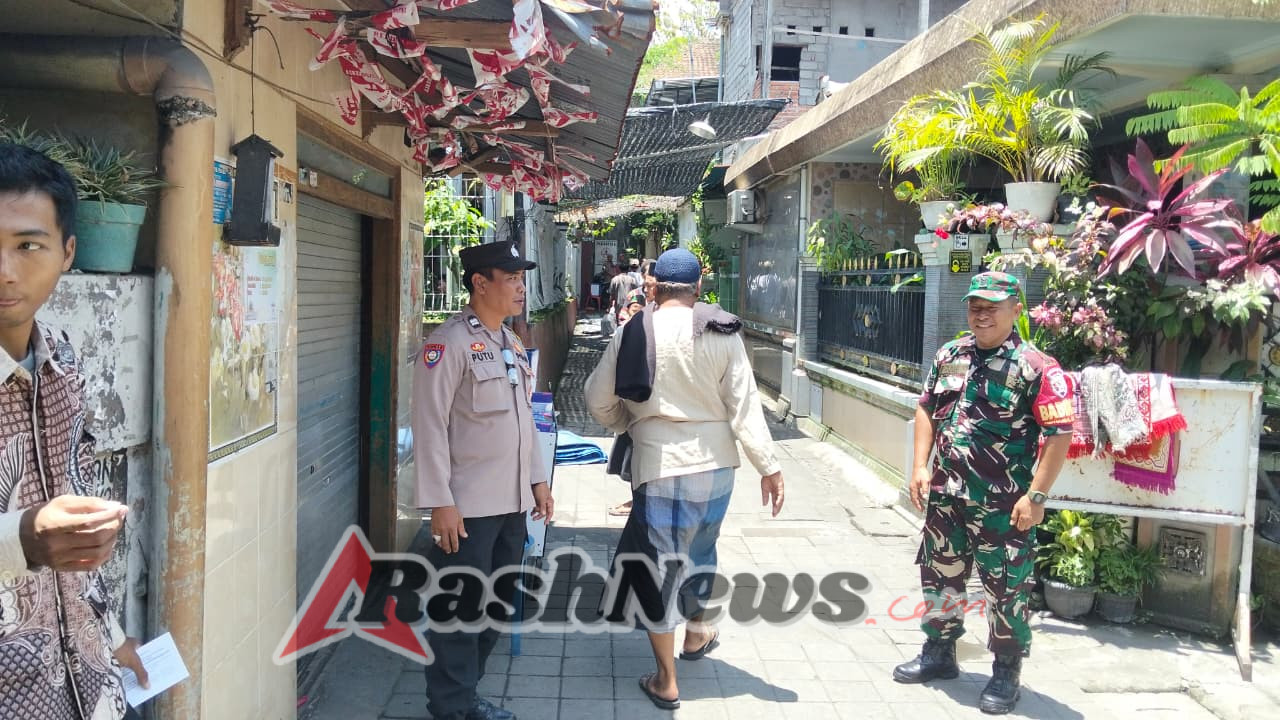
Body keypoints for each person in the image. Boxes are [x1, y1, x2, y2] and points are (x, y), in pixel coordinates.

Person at [585, 248, 785, 711]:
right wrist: (769, 467)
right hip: (717, 469)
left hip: (660, 466)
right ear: (698, 286)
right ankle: (695, 634)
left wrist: (629, 423)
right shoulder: (722, 330)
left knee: (659, 568)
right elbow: (745, 405)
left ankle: (666, 679)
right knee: (700, 550)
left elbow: (597, 398)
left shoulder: (635, 329)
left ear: (654, 285)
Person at [0, 142, 149, 719]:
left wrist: (110, 636)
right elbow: (38, 535)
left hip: (90, 691)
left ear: (67, 253)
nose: (6, 271)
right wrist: (20, 539)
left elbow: (72, 502)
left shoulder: (61, 359)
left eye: (27, 245)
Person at [894, 271, 1074, 715]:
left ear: (1017, 309)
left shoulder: (1037, 368)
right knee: (940, 575)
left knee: (1006, 587)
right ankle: (939, 654)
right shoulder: (950, 355)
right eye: (976, 305)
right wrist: (920, 466)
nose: (982, 313)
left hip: (1003, 504)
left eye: (993, 307)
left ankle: (1006, 672)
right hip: (947, 497)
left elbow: (1058, 434)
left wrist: (1036, 496)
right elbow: (926, 408)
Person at [412, 240, 555, 720]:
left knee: (493, 610)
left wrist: (537, 481)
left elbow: (523, 422)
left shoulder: (510, 342)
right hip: (467, 509)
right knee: (459, 614)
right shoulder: (447, 343)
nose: (520, 287)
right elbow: (429, 424)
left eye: (521, 278)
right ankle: (451, 708)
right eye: (510, 278)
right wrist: (439, 502)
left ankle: (467, 697)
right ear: (480, 282)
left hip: (511, 504)